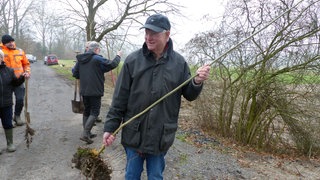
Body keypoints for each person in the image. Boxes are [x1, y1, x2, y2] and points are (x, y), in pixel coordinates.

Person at [102, 14, 211, 179]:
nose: (148, 37)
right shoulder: (133, 61)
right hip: (134, 134)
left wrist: (196, 81)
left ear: (167, 34)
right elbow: (119, 99)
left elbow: (189, 94)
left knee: (155, 176)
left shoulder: (179, 63)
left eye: (154, 33)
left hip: (160, 136)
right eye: (146, 32)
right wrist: (110, 128)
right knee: (131, 175)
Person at [72, 41, 121, 144]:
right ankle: (85, 134)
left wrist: (85, 76)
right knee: (95, 112)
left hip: (84, 90)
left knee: (87, 111)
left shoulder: (80, 59)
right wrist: (118, 55)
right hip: (95, 90)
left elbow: (75, 73)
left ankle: (87, 133)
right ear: (95, 49)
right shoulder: (97, 58)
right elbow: (113, 64)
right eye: (99, 49)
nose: (99, 51)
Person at [0, 34, 31, 126]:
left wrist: (27, 72)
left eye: (12, 41)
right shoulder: (1, 51)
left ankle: (17, 116)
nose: (11, 43)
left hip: (19, 80)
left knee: (20, 99)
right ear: (4, 43)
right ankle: (8, 121)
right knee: (7, 102)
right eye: (9, 42)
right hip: (5, 82)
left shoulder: (20, 51)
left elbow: (26, 64)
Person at [0, 49, 25, 153]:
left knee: (8, 124)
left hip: (6, 103)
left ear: (1, 58)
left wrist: (23, 77)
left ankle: (10, 143)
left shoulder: (9, 71)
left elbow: (15, 83)